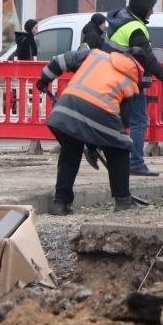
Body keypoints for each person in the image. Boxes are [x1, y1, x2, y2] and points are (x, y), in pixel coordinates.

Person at [36, 45, 145, 214]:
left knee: (70, 154)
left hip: (66, 110)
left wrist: (44, 79)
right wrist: (99, 142)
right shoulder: (131, 83)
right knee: (120, 149)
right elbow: (120, 126)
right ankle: (123, 200)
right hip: (100, 115)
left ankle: (60, 203)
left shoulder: (95, 55)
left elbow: (61, 60)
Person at [103, 0, 163, 177]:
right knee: (139, 121)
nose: (152, 12)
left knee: (121, 122)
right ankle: (135, 163)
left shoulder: (119, 22)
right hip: (130, 82)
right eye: (150, 8)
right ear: (142, 8)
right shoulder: (135, 29)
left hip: (114, 80)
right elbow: (149, 60)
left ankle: (119, 161)